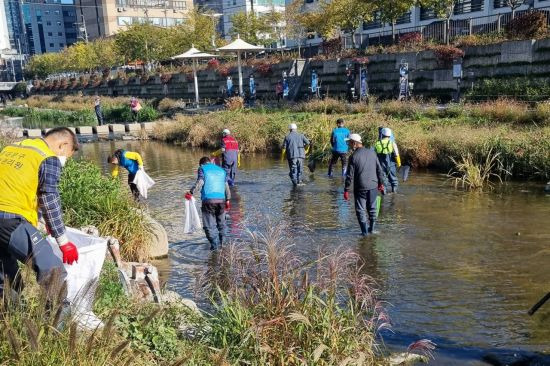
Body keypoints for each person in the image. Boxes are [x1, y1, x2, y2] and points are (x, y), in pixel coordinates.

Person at [0, 127, 80, 298]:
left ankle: (14, 319)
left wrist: (45, 221)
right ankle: (60, 323)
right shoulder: (47, 157)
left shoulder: (13, 148)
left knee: (7, 277)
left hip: (5, 218)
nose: (65, 160)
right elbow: (49, 198)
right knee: (53, 271)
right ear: (63, 145)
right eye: (68, 155)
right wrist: (63, 241)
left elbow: (17, 185)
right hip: (9, 220)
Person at [185, 157, 231, 251]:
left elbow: (201, 182)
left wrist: (191, 192)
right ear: (210, 162)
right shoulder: (221, 170)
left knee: (209, 227)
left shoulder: (202, 168)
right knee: (222, 225)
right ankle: (223, 246)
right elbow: (226, 185)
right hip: (221, 201)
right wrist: (228, 200)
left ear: (201, 164)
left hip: (208, 201)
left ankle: (215, 248)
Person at [344, 133, 385, 236]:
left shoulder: (353, 157)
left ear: (354, 143)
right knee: (372, 208)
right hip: (373, 186)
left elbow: (349, 176)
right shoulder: (372, 153)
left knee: (360, 210)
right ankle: (371, 230)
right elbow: (379, 170)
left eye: (349, 143)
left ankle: (364, 234)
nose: (348, 145)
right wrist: (381, 184)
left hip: (360, 187)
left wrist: (346, 189)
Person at [375, 127, 401, 193]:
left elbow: (374, 155)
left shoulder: (377, 143)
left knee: (383, 181)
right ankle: (394, 192)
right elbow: (396, 154)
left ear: (382, 135)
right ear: (389, 135)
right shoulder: (392, 143)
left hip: (381, 166)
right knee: (393, 180)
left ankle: (383, 194)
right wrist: (399, 164)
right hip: (391, 165)